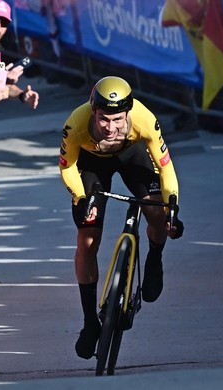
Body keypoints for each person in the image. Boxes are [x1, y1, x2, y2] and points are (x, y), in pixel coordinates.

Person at [58, 76, 182, 359]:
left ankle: (155, 257)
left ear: (128, 112)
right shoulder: (75, 124)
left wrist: (172, 206)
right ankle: (90, 322)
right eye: (103, 120)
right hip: (91, 164)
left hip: (132, 155)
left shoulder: (144, 120)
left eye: (117, 120)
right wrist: (80, 198)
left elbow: (166, 169)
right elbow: (67, 168)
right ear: (93, 111)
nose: (110, 128)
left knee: (157, 213)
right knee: (87, 239)